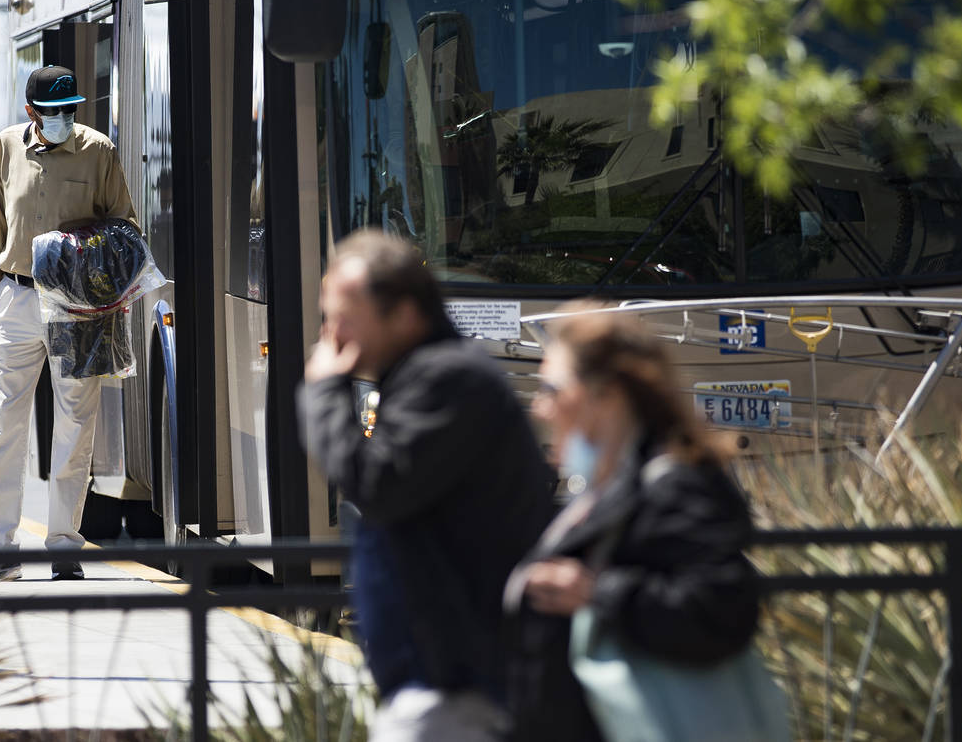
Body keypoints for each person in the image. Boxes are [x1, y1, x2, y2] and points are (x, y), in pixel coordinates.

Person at [297, 230, 553, 741]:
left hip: (460, 685)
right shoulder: (422, 378)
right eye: (329, 318)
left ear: (407, 314)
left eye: (346, 319)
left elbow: (375, 482)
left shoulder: (448, 381)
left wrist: (323, 391)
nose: (332, 336)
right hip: (439, 679)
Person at [504, 304, 761, 741]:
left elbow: (725, 604)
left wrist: (596, 592)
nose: (542, 409)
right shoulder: (606, 486)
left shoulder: (672, 483)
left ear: (607, 395)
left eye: (552, 389)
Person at [0, 65, 137, 583]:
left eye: (70, 110)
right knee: (4, 424)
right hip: (16, 298)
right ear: (31, 112)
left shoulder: (98, 150)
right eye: (53, 111)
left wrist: (86, 247)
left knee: (76, 426)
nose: (64, 119)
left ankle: (63, 547)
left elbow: (126, 228)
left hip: (77, 303)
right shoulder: (6, 146)